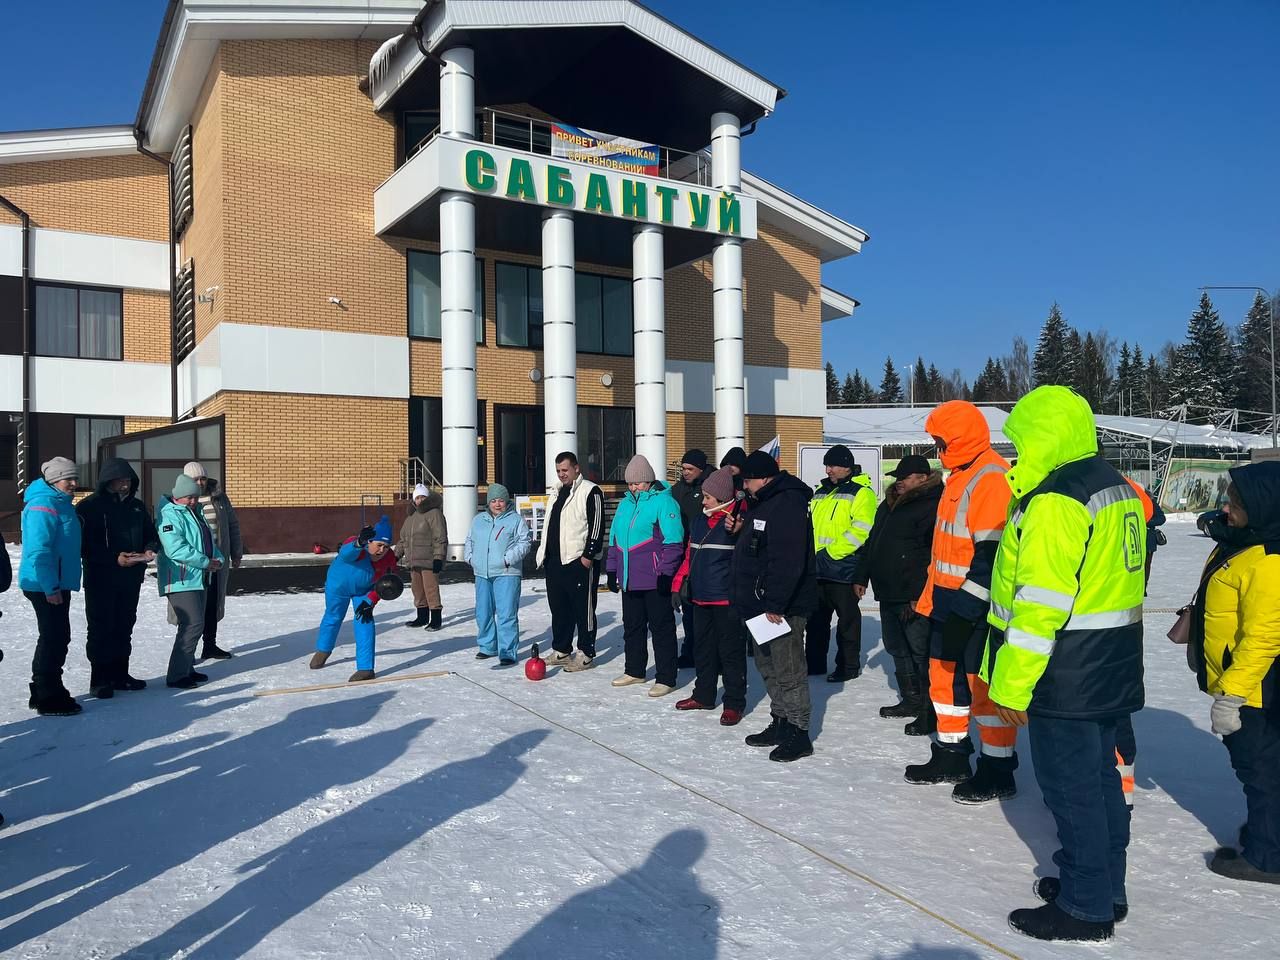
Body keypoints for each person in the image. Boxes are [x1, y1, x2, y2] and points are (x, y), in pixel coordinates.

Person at [983, 386, 1145, 942]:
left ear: (1042, 435)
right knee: (1100, 782)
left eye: (1020, 439)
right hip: (1110, 664)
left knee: (1073, 789)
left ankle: (1084, 906)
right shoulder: (1113, 485)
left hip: (1065, 672)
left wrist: (1011, 687)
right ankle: (1103, 884)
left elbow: (1039, 604)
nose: (1014, 450)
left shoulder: (1055, 499)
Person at [904, 400, 1017, 803]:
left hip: (975, 607)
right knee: (945, 683)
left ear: (959, 438)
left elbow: (991, 558)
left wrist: (967, 610)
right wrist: (930, 602)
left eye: (939, 441)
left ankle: (997, 768)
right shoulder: (960, 476)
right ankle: (951, 755)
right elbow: (947, 551)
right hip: (947, 602)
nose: (935, 450)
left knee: (982, 691)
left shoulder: (990, 477)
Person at [1189, 462, 1280, 885]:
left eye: (1235, 503)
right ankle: (1269, 832)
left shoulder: (1269, 561)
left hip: (1255, 687)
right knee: (1263, 767)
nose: (1226, 509)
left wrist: (1232, 696)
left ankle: (1266, 856)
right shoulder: (1248, 539)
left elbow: (1264, 637)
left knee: (1259, 768)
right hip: (1244, 680)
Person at [731, 450, 818, 762]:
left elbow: (788, 559)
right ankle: (780, 720)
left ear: (766, 478)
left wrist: (777, 603)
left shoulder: (787, 503)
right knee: (767, 665)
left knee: (789, 668)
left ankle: (799, 731)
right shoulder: (762, 502)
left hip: (782, 606)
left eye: (749, 480)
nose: (745, 486)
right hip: (760, 603)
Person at [853, 454, 942, 727]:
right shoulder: (889, 504)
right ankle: (911, 699)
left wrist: (919, 593)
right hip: (888, 590)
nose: (899, 483)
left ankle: (930, 710)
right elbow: (872, 542)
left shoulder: (933, 504)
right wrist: (861, 575)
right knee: (896, 648)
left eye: (904, 478)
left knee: (920, 652)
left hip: (913, 594)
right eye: (897, 478)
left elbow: (932, 554)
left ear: (922, 478)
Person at [76, 458, 158, 699]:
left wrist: (150, 549)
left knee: (124, 625)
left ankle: (121, 674)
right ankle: (100, 679)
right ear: (107, 479)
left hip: (131, 578)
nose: (125, 483)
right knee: (101, 628)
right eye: (120, 479)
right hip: (100, 578)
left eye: (128, 480)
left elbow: (150, 534)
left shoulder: (137, 507)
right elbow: (83, 545)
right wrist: (114, 558)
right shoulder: (88, 507)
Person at [671, 467, 747, 725]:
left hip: (726, 600)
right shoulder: (699, 521)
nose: (703, 501)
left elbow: (750, 556)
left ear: (723, 498)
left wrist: (740, 530)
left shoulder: (738, 522)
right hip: (699, 597)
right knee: (702, 650)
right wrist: (677, 584)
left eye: (708, 497)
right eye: (703, 495)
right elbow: (689, 557)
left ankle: (734, 702)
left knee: (731, 653)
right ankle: (703, 694)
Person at [606, 455, 685, 697]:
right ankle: (635, 670)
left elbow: (674, 542)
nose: (633, 488)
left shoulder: (665, 503)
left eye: (638, 483)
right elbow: (614, 539)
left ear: (649, 481)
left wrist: (665, 572)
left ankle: (666, 676)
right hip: (629, 578)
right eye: (630, 484)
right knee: (632, 627)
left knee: (661, 628)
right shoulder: (624, 504)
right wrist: (611, 569)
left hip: (654, 578)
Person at [805, 444, 877, 681]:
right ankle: (814, 663)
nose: (828, 470)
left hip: (843, 567)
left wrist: (831, 553)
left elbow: (862, 530)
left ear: (847, 466)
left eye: (833, 465)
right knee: (815, 622)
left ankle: (848, 666)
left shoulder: (862, 493)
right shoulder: (820, 493)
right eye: (827, 465)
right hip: (818, 568)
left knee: (847, 623)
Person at [19, 457, 84, 716]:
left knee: (57, 635)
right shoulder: (43, 504)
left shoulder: (61, 503)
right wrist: (50, 587)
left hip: (56, 581)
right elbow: (38, 550)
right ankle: (47, 694)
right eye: (69, 478)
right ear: (54, 480)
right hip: (43, 583)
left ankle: (45, 689)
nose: (74, 483)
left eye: (75, 478)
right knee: (54, 636)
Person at [536, 452, 604, 671]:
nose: (561, 474)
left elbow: (597, 525)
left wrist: (588, 556)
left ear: (576, 468)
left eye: (565, 470)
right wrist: (544, 554)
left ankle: (586, 652)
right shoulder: (556, 492)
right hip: (555, 560)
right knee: (559, 608)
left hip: (578, 560)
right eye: (558, 471)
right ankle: (562, 648)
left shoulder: (590, 490)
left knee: (582, 609)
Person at [310, 515, 399, 681]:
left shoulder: (388, 558)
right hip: (338, 587)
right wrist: (358, 543)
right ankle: (323, 649)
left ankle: (366, 669)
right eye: (379, 545)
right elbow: (345, 554)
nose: (382, 550)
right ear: (370, 541)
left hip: (364, 591)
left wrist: (371, 599)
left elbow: (384, 583)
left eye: (386, 547)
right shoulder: (357, 544)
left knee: (364, 620)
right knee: (333, 617)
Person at [157, 475, 225, 689]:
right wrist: (205, 562)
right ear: (178, 496)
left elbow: (207, 541)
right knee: (192, 624)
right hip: (180, 578)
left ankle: (186, 668)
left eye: (196, 497)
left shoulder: (196, 512)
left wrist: (218, 558)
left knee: (198, 623)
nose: (194, 501)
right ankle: (177, 675)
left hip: (199, 576)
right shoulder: (168, 514)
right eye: (189, 497)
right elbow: (174, 548)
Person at [180, 462, 243, 660]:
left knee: (213, 603)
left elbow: (232, 525)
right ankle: (186, 652)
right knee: (194, 608)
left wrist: (236, 552)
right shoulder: (184, 500)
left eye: (203, 478)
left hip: (217, 560)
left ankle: (210, 645)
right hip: (194, 563)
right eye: (195, 479)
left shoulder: (219, 498)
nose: (200, 482)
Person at [465, 484, 532, 665]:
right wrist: (470, 558)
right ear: (488, 502)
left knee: (506, 613)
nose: (497, 504)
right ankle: (487, 646)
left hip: (507, 573)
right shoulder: (478, 520)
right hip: (482, 573)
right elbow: (469, 540)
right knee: (483, 612)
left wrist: (507, 559)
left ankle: (507, 651)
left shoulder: (515, 520)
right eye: (493, 500)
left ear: (506, 501)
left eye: (501, 500)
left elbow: (524, 542)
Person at [671, 449, 713, 669]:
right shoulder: (677, 490)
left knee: (706, 609)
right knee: (687, 606)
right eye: (683, 468)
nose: (685, 473)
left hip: (706, 551)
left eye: (690, 469)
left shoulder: (710, 488)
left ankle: (709, 653)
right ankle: (689, 650)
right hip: (683, 552)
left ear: (701, 469)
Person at [397, 483, 448, 629]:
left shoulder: (434, 514)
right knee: (417, 590)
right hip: (413, 560)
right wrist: (396, 555)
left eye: (422, 497)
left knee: (430, 589)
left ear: (428, 498)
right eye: (417, 497)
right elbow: (403, 540)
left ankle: (436, 619)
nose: (419, 500)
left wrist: (438, 557)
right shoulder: (411, 517)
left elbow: (440, 537)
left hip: (429, 559)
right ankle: (422, 617)